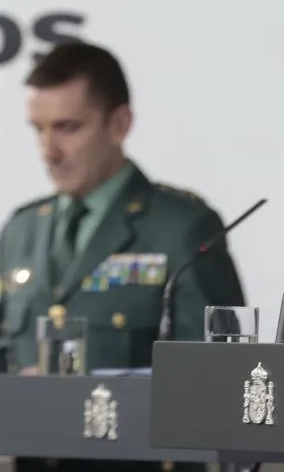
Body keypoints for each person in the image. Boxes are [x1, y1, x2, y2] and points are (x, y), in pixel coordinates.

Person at [0, 42, 245, 472]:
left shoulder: (181, 227)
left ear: (119, 123)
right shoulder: (22, 229)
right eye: (37, 129)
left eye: (67, 127)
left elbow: (217, 381)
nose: (48, 151)